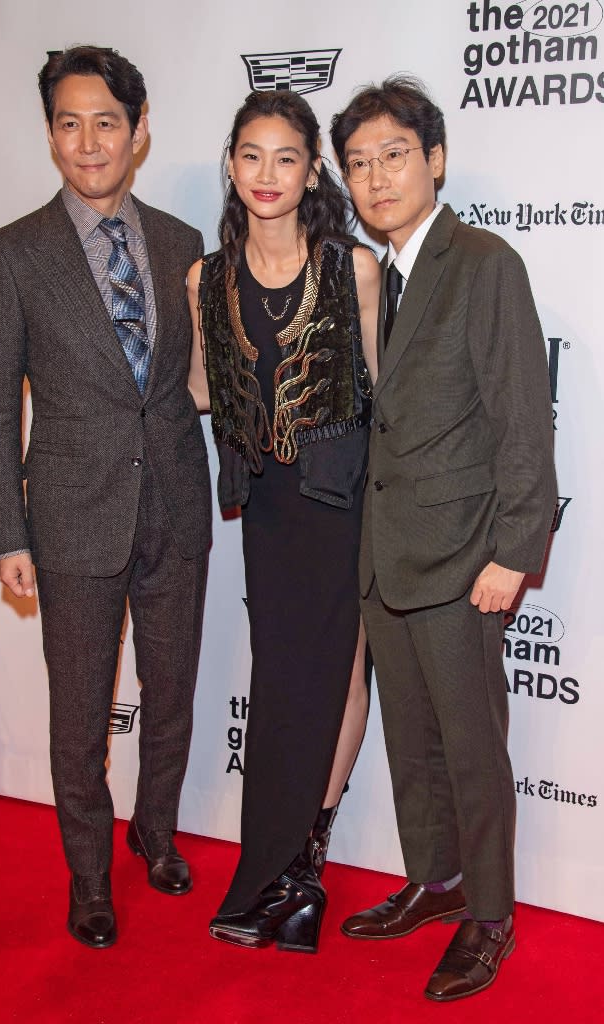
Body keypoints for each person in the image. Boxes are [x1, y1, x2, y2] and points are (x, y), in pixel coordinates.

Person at [0, 45, 211, 949]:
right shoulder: (14, 253)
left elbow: (194, 381)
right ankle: (88, 876)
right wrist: (6, 530)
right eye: (69, 123)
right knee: (77, 716)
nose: (88, 141)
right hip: (69, 517)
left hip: (177, 504)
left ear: (138, 131)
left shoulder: (183, 244)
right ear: (49, 135)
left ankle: (156, 831)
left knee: (175, 691)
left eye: (106, 121)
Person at [330, 77, 557, 999]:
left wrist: (512, 553)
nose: (376, 177)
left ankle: (491, 916)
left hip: (466, 560)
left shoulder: (482, 262)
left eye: (392, 155)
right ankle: (434, 882)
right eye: (357, 163)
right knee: (411, 745)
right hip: (387, 558)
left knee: (470, 748)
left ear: (434, 159)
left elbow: (519, 420)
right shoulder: (370, 274)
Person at [188, 90, 379, 953]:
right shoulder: (205, 277)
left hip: (342, 503)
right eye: (251, 155)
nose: (267, 175)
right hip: (267, 505)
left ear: (311, 173)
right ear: (232, 164)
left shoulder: (353, 268)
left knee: (337, 675)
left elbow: (380, 392)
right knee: (280, 682)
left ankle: (296, 867)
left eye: (287, 158)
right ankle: (283, 877)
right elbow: (199, 388)